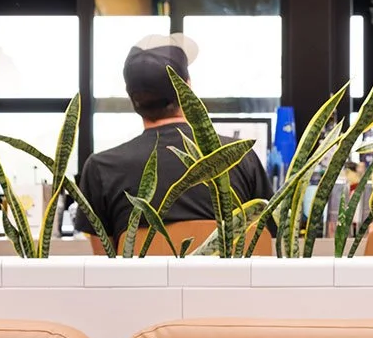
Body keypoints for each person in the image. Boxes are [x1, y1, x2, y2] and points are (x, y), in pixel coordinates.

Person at [78, 35, 269, 246]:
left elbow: (105, 267)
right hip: (228, 280)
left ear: (132, 98)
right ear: (187, 87)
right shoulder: (239, 157)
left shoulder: (100, 168)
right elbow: (265, 242)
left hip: (140, 281)